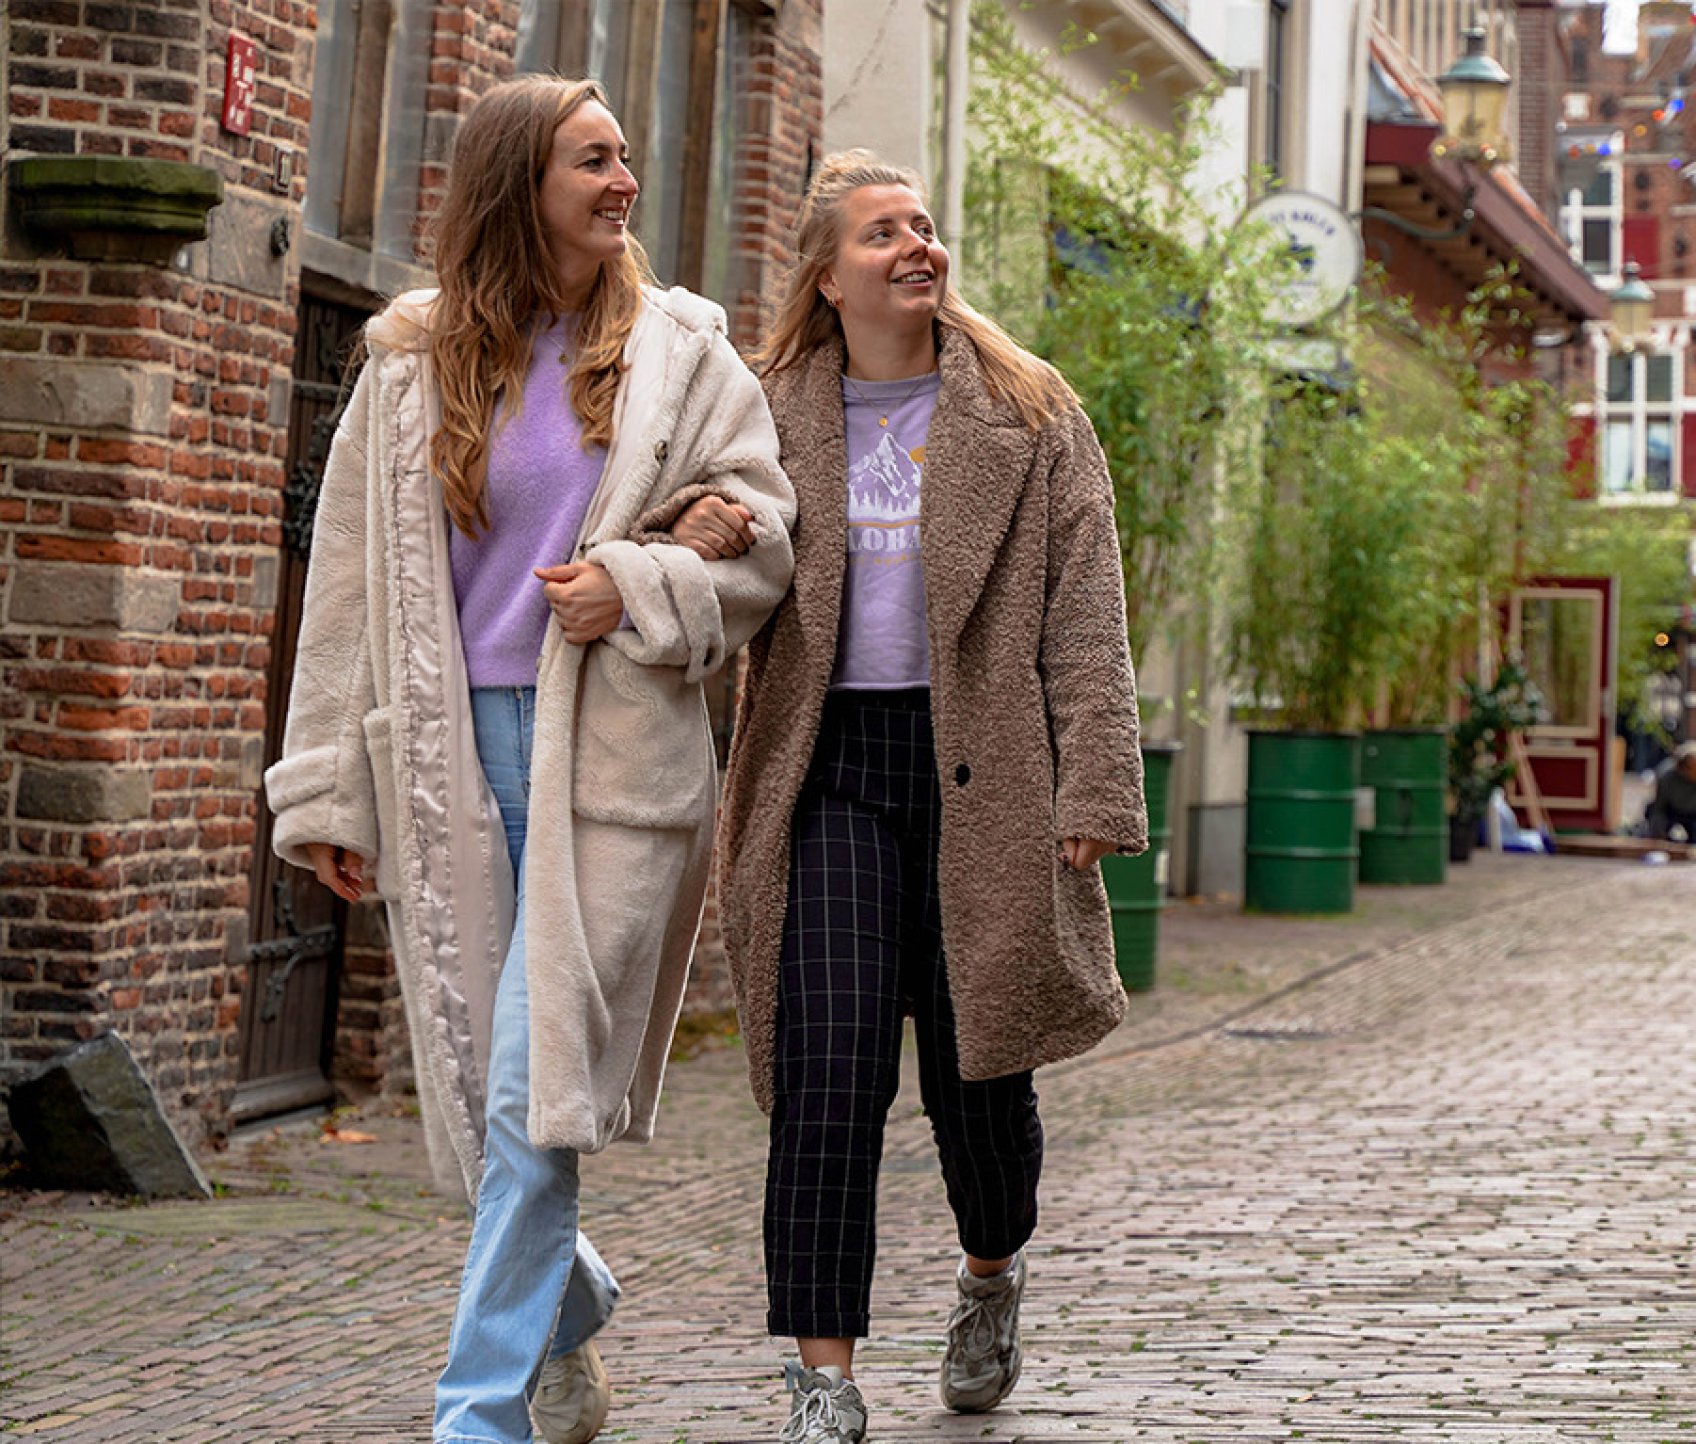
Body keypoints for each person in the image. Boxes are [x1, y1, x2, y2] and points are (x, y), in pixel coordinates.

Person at [261, 76, 796, 1444]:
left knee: (528, 1089)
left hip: (613, 763)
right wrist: (330, 783)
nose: (624, 183)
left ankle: (474, 1417)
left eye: (626, 158)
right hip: (451, 759)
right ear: (521, 183)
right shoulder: (407, 365)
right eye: (593, 160)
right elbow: (348, 600)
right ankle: (569, 1304)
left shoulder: (688, 356)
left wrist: (640, 580)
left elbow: (771, 544)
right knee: (498, 1100)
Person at [715, 150, 1148, 1443]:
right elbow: (702, 532)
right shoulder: (764, 408)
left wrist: (1096, 786)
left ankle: (990, 1274)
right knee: (829, 1071)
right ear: (827, 275)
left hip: (993, 774)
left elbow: (1084, 617)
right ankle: (822, 1379)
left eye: (923, 225)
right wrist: (699, 530)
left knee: (981, 1082)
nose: (917, 247)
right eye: (881, 234)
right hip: (829, 770)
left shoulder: (1031, 409)